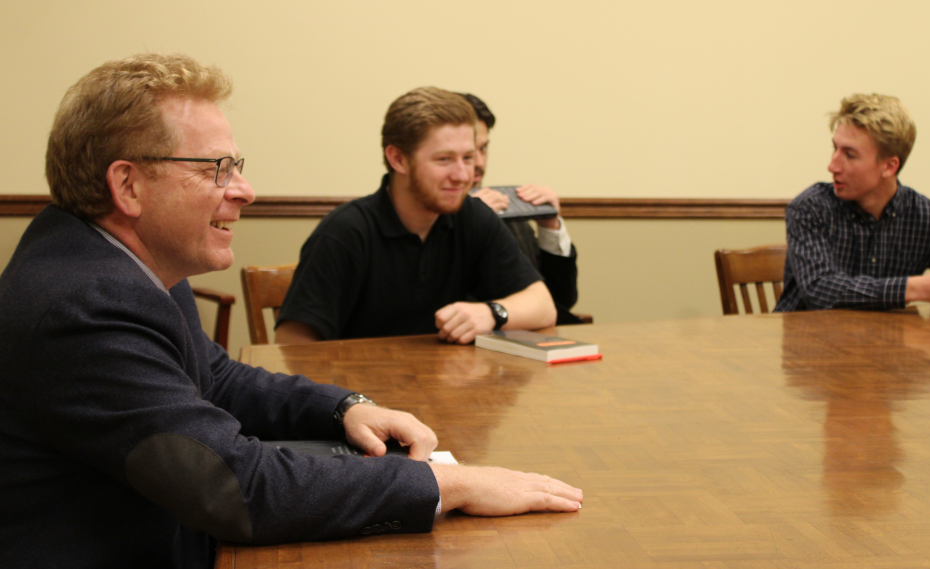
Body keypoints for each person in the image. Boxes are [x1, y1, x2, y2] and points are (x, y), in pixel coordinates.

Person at [0, 54, 581, 569]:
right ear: (128, 186)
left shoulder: (128, 263)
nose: (245, 190)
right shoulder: (84, 305)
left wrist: (344, 409)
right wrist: (444, 484)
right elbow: (235, 487)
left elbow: (216, 379)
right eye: (216, 168)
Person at [275, 87, 556, 345]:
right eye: (444, 159)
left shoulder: (472, 217)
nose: (462, 176)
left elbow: (544, 306)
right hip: (360, 394)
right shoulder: (345, 232)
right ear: (398, 159)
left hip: (452, 391)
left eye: (468, 158)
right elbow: (290, 348)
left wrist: (491, 313)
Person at [774, 93, 930, 312]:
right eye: (835, 148)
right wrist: (917, 288)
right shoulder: (810, 208)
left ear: (889, 166)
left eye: (849, 155)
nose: (832, 166)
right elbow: (820, 290)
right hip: (807, 343)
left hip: (887, 345)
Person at [462, 93, 582, 325]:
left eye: (483, 148)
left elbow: (560, 300)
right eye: (468, 152)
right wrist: (471, 221)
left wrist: (550, 228)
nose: (478, 162)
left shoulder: (508, 210)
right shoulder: (426, 218)